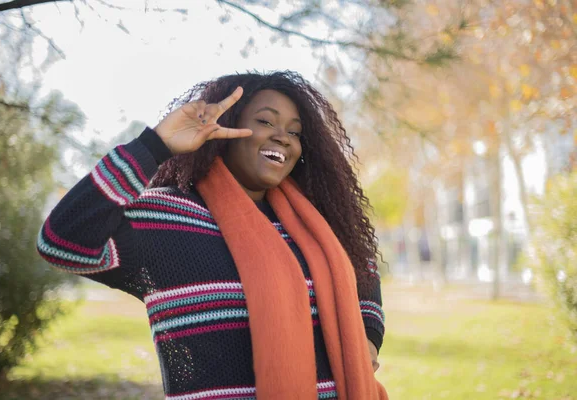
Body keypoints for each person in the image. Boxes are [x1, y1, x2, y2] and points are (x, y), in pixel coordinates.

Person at [37, 71, 387, 399]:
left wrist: (369, 335)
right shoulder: (166, 220)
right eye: (265, 121)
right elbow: (62, 241)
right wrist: (155, 145)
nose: (282, 137)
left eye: (294, 131)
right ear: (224, 130)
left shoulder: (315, 223)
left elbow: (362, 267)